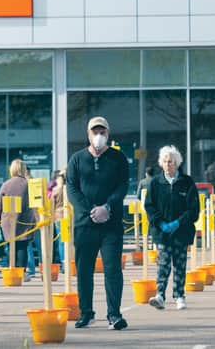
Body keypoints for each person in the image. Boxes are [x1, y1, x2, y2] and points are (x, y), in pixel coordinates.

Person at [66, 116, 129, 330]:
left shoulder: (118, 158)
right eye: (95, 132)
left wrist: (107, 207)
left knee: (112, 269)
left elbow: (122, 186)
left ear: (108, 135)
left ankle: (114, 314)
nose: (99, 136)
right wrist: (90, 210)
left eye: (103, 132)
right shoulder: (76, 159)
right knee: (84, 270)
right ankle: (86, 313)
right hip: (85, 224)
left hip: (111, 224)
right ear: (88, 134)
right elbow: (72, 189)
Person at [146, 146, 199, 311]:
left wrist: (178, 222)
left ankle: (179, 295)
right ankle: (160, 294)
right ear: (161, 163)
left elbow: (193, 209)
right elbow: (149, 206)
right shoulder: (155, 183)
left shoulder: (187, 182)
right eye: (165, 161)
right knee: (163, 263)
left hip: (181, 231)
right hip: (162, 232)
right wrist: (160, 223)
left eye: (171, 161)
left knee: (180, 264)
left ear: (177, 163)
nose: (168, 164)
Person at [0, 159, 36, 281]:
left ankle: (12, 270)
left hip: (8, 221)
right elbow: (34, 204)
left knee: (11, 246)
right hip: (25, 220)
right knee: (23, 246)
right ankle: (22, 272)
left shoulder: (5, 184)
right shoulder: (29, 184)